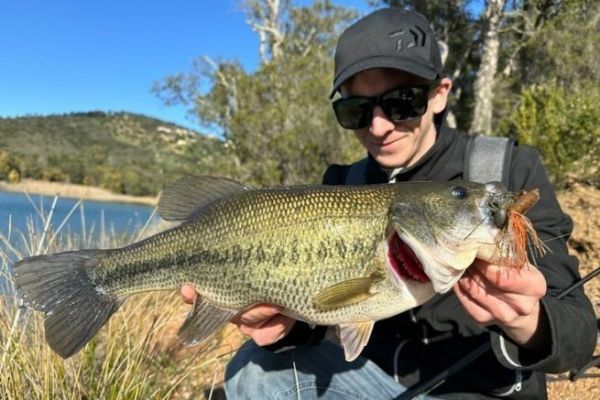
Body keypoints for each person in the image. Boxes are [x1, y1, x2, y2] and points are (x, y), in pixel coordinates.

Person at [181, 8, 597, 399]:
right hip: (372, 385)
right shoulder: (342, 184)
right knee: (255, 371)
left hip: (481, 390)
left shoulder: (508, 171)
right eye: (357, 110)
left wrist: (530, 322)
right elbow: (320, 320)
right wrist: (284, 328)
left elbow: (578, 337)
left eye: (402, 102)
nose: (379, 126)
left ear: (439, 94)